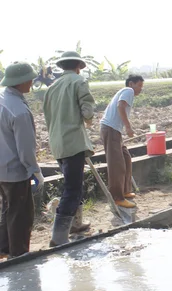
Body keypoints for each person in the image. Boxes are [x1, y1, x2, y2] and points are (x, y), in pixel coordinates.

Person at [43, 51, 96, 247]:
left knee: (73, 184)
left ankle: (75, 224)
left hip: (58, 143)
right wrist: (88, 120)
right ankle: (58, 236)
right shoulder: (78, 81)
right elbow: (87, 109)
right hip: (73, 142)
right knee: (73, 189)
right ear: (78, 67)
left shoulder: (52, 87)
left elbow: (47, 116)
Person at [0, 62, 44, 259]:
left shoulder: (3, 100)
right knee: (21, 215)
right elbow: (25, 149)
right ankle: (18, 255)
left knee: (7, 210)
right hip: (14, 170)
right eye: (30, 79)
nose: (32, 82)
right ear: (22, 82)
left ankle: (4, 249)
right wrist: (35, 171)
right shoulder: (19, 111)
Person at [100, 75, 144, 208]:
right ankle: (117, 197)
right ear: (131, 83)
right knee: (116, 164)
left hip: (114, 131)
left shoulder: (126, 92)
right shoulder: (128, 91)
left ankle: (125, 191)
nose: (140, 90)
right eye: (139, 86)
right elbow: (120, 106)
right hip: (111, 129)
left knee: (125, 158)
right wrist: (128, 127)